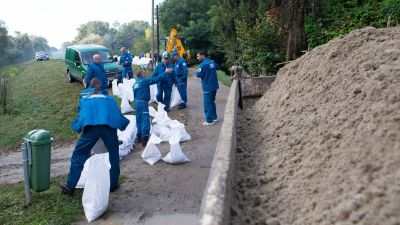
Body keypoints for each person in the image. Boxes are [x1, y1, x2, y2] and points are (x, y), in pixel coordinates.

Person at [60, 85, 130, 195]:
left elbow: (82, 116)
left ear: (92, 93)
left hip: (91, 128)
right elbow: (117, 114)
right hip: (109, 128)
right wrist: (122, 125)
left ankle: (70, 186)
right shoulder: (110, 99)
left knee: (79, 154)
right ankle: (113, 185)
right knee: (114, 155)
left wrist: (77, 127)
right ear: (100, 93)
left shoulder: (85, 100)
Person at [134, 68, 173, 146]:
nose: (145, 74)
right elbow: (155, 79)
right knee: (145, 120)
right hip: (143, 103)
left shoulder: (135, 83)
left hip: (136, 103)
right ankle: (144, 138)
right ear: (141, 74)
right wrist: (165, 72)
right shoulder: (144, 81)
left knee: (139, 119)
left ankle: (139, 136)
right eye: (144, 73)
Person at [196, 50, 220, 126]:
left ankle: (209, 120)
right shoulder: (211, 62)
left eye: (198, 56)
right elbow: (217, 67)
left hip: (207, 86)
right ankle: (214, 117)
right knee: (212, 101)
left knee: (207, 103)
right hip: (214, 86)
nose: (197, 58)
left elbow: (198, 74)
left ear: (202, 55)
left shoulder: (202, 65)